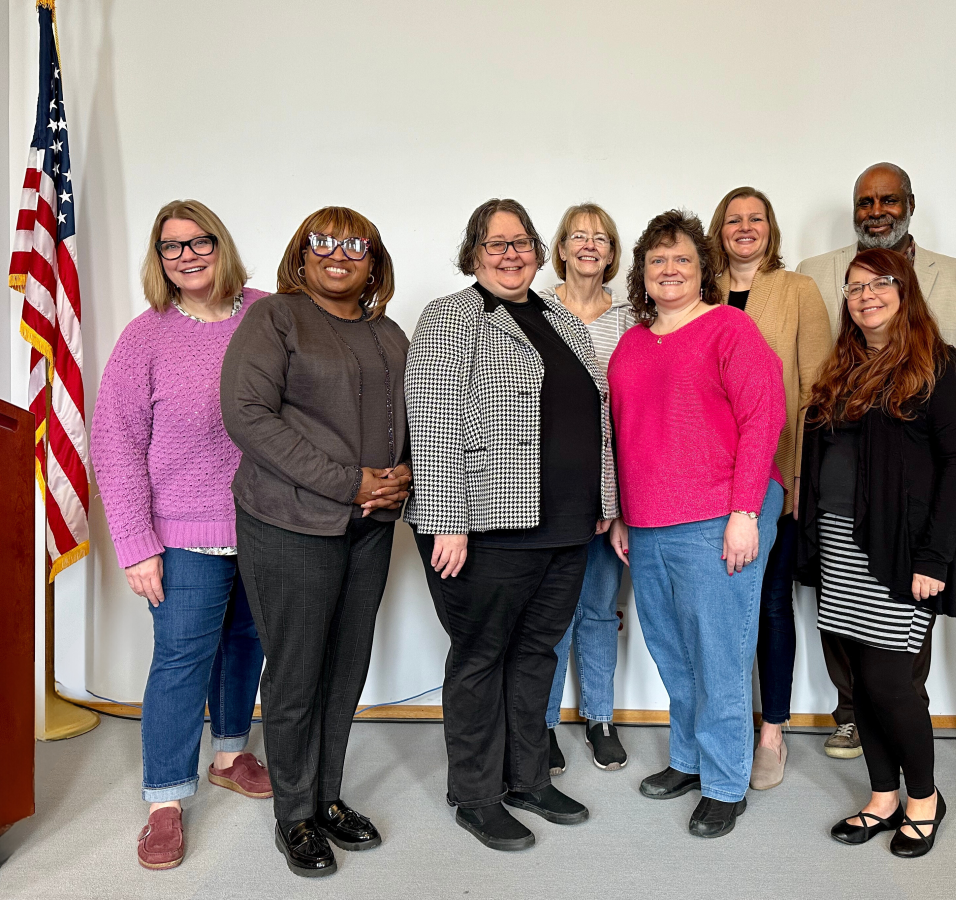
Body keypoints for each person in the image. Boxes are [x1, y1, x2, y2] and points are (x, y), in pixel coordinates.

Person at [405, 198, 618, 852]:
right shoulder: (451, 317)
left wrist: (605, 499)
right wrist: (447, 521)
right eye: (495, 244)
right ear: (473, 254)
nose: (510, 254)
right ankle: (474, 793)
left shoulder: (561, 318)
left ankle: (526, 778)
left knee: (535, 655)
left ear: (537, 250)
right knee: (481, 659)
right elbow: (433, 423)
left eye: (521, 242)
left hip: (566, 527)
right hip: (486, 528)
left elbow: (597, 413)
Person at [221, 207, 410, 877]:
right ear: (300, 255)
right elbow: (245, 414)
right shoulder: (276, 319)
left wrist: (403, 475)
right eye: (321, 242)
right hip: (291, 523)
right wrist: (347, 482)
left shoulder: (389, 333)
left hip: (370, 529)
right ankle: (294, 814)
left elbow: (407, 420)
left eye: (354, 244)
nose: (338, 254)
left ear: (374, 262)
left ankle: (327, 797)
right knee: (298, 672)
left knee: (344, 666)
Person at [92, 200, 270, 872]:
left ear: (221, 246)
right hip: (183, 534)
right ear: (159, 259)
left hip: (264, 523)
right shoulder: (147, 336)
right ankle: (165, 801)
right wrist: (136, 544)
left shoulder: (266, 313)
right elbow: (114, 441)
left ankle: (229, 754)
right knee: (179, 663)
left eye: (200, 242)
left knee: (246, 643)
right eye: (173, 247)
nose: (188, 255)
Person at [798, 162, 956, 759]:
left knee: (893, 671)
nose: (875, 211)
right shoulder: (817, 282)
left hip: (904, 517)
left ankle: (919, 791)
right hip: (837, 518)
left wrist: (940, 534)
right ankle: (864, 749)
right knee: (849, 645)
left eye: (887, 200)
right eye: (864, 202)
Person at [608, 210, 786, 839]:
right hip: (649, 522)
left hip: (719, 516)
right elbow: (624, 435)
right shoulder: (631, 343)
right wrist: (624, 514)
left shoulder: (729, 329)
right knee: (674, 653)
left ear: (703, 269)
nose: (670, 269)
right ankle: (688, 760)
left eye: (682, 258)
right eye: (657, 260)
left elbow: (763, 419)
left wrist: (744, 514)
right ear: (642, 274)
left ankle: (725, 781)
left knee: (719, 655)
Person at [795, 248, 956, 859]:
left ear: (904, 290)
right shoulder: (841, 369)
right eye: (853, 288)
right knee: (863, 684)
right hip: (839, 541)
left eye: (878, 284)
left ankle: (924, 799)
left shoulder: (941, 367)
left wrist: (935, 557)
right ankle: (881, 796)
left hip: (902, 550)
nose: (865, 295)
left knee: (891, 681)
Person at [707, 187, 832, 790]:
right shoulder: (697, 293)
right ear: (719, 230)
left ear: (771, 228)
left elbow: (817, 391)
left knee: (770, 603)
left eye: (756, 219)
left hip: (774, 474)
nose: (745, 228)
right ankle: (720, 725)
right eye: (734, 220)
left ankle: (772, 730)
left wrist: (804, 477)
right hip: (704, 480)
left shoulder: (798, 291)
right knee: (717, 610)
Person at [539, 203, 635, 773]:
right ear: (563, 247)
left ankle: (600, 718)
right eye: (579, 236)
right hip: (549, 488)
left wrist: (621, 504)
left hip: (610, 486)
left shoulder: (628, 318)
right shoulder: (536, 308)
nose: (590, 245)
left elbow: (631, 414)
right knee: (550, 614)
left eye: (601, 237)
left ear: (612, 250)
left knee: (599, 609)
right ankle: (543, 723)